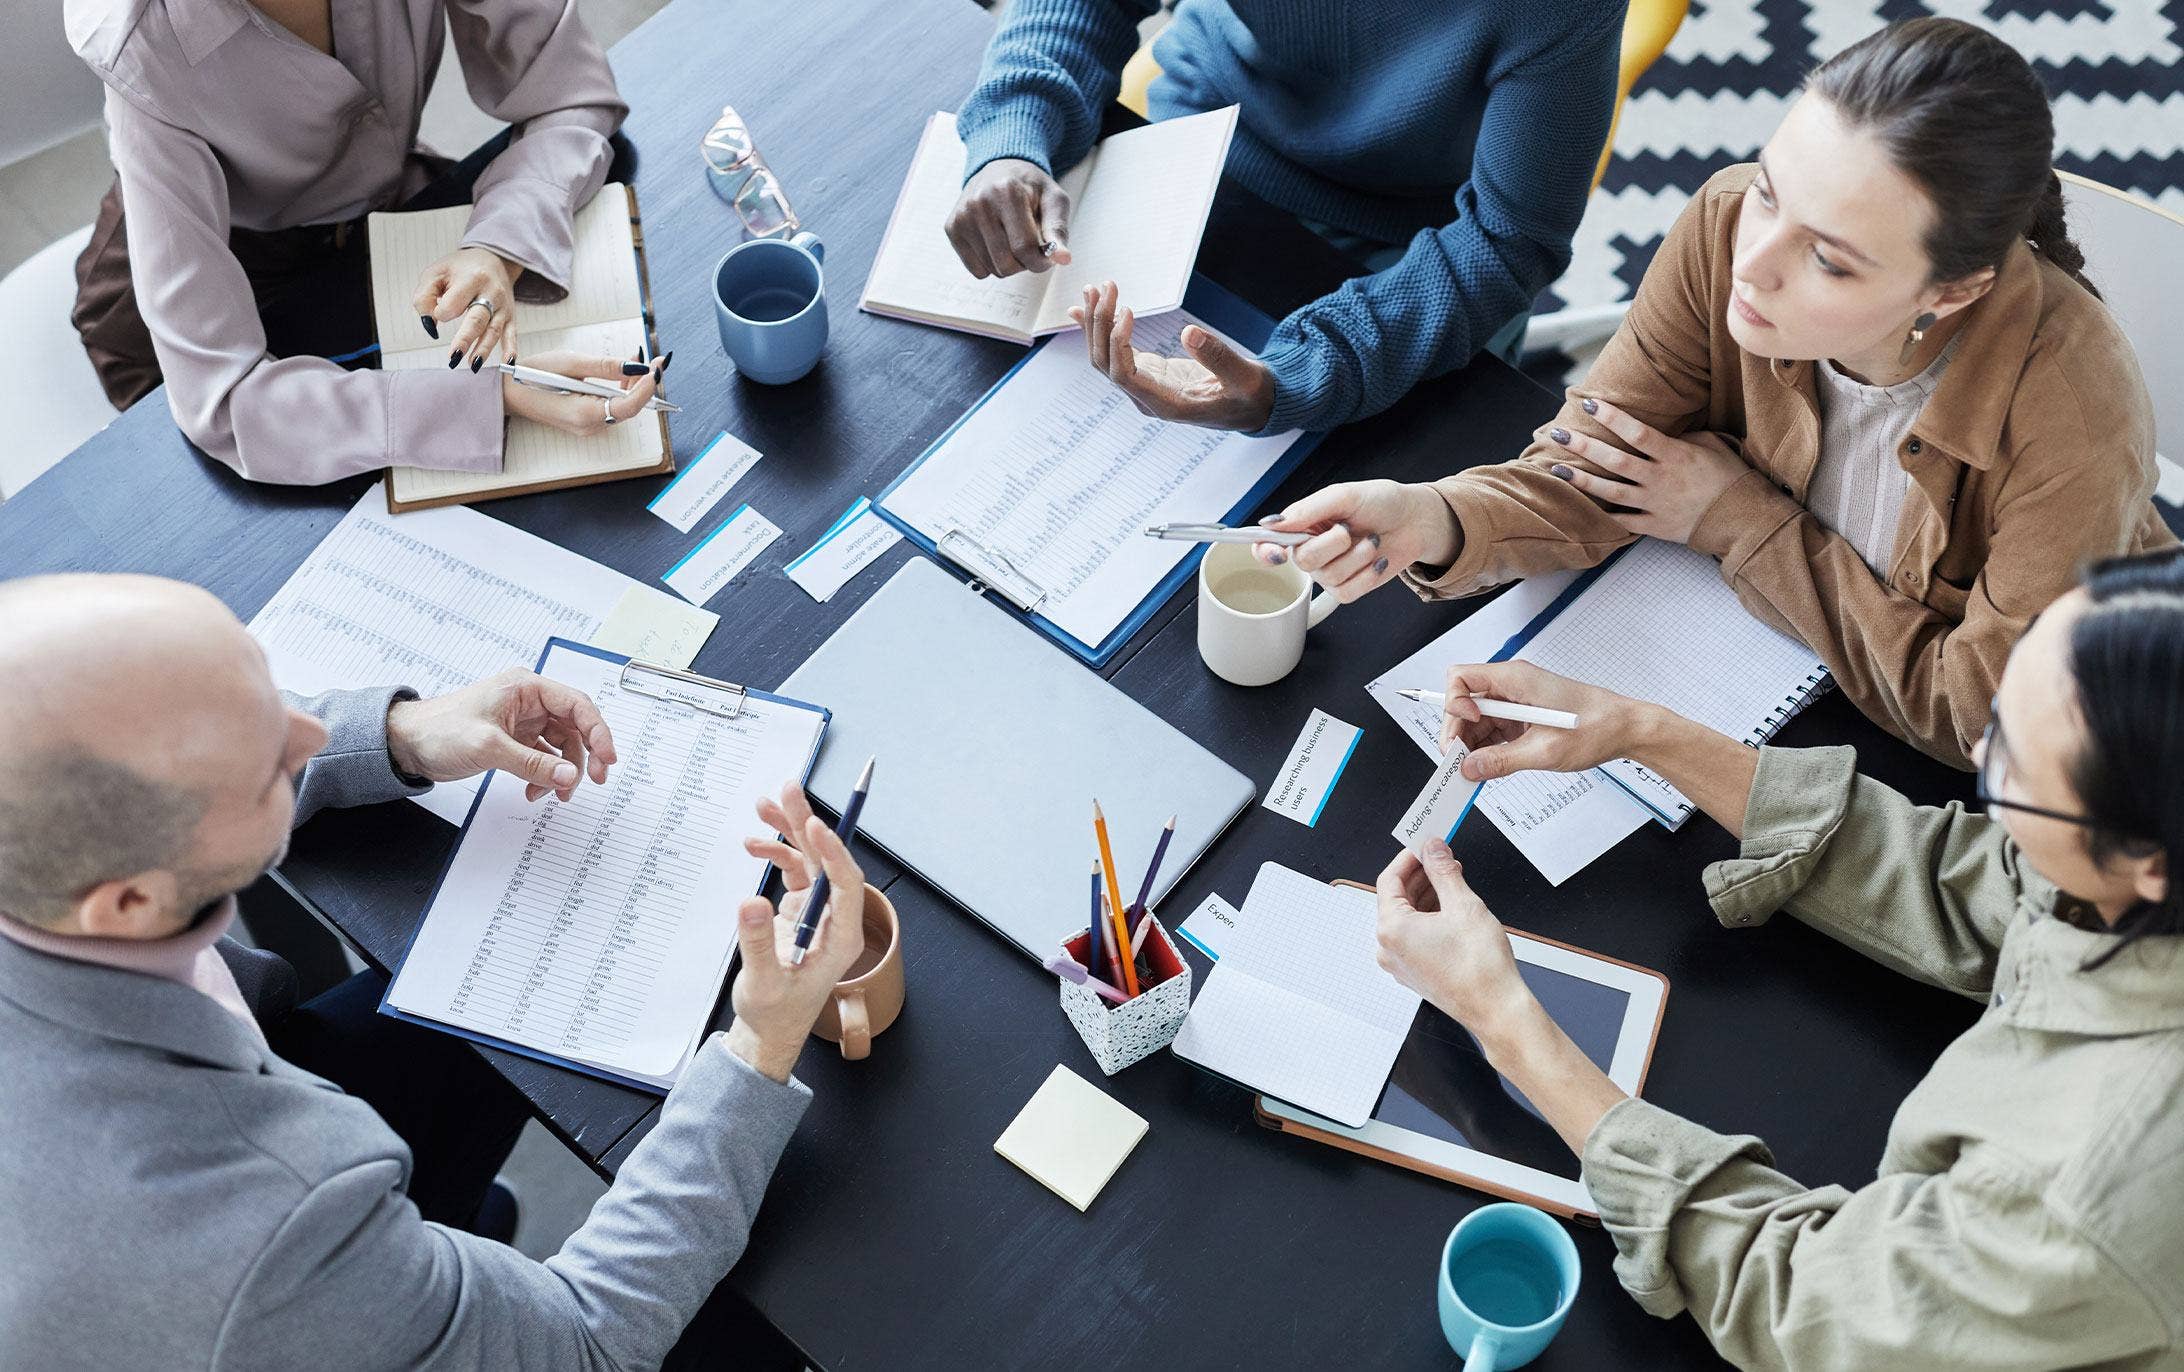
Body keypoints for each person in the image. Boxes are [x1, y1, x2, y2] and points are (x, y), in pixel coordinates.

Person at [1248, 17, 2173, 769]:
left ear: (1952, 290)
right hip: (1779, 675)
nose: (1753, 267)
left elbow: (1978, 722)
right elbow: (1597, 467)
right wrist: (1431, 516)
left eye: (1828, 260)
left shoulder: (2073, 415)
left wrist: (1737, 519)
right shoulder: (1726, 221)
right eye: (1773, 193)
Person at [0, 573, 867, 1370]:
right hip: (260, 1280)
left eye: (268, 695)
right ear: (126, 904)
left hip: (243, 1111)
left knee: (499, 981)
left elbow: (173, 749)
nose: (304, 735)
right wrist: (760, 1038)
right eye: (262, 761)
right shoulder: (259, 1224)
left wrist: (399, 733)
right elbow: (587, 1341)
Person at [1374, 546, 2184, 1368]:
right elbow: (1970, 881)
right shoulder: (2133, 857)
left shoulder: (2088, 1191)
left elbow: (1806, 1306)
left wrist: (1503, 1022)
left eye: (2015, 756)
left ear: (2146, 859)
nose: (1978, 745)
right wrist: (1641, 730)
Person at [945, 0, 1624, 434]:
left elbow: (1508, 243)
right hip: (1205, 133)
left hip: (1416, 239)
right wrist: (1013, 133)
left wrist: (1299, 377)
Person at [64, 0, 664, 484]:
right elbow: (225, 405)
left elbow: (572, 93)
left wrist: (497, 246)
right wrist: (486, 399)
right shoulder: (139, 42)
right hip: (224, 269)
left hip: (383, 209)